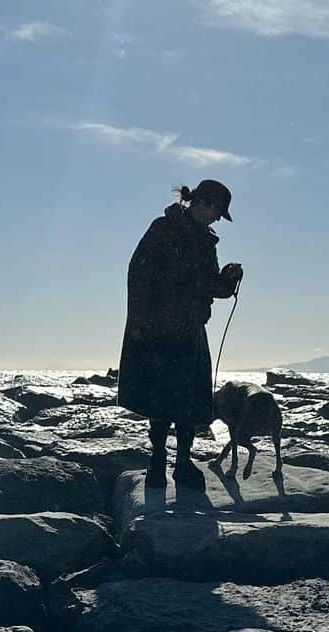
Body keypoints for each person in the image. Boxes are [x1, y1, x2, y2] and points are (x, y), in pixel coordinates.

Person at [117, 179, 244, 489]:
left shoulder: (205, 240)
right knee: (162, 399)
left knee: (191, 400)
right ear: (203, 203)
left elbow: (211, 286)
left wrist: (227, 280)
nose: (217, 218)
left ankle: (183, 463)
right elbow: (138, 273)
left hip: (190, 329)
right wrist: (137, 321)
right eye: (217, 211)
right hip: (159, 328)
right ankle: (157, 463)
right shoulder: (163, 228)